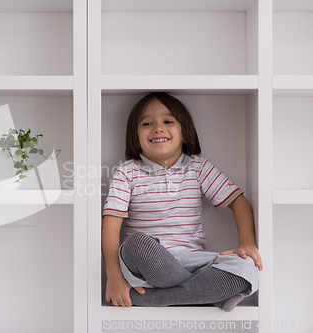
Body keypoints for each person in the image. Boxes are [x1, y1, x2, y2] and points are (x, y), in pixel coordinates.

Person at [102, 92, 262, 311]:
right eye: (147, 123)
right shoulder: (127, 172)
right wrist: (113, 276)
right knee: (137, 244)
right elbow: (111, 226)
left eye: (168, 121)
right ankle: (207, 295)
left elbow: (239, 202)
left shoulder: (198, 168)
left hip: (193, 263)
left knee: (247, 267)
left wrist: (246, 242)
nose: (158, 127)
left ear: (185, 134)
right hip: (146, 265)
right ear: (135, 136)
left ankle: (154, 299)